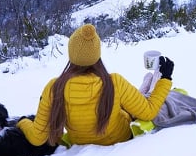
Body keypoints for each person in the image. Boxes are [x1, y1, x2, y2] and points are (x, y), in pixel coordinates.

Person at [17, 24, 174, 147]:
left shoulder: (54, 87)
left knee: (127, 102)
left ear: (71, 53)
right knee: (134, 102)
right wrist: (166, 78)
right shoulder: (114, 82)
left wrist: (22, 122)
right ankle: (152, 81)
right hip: (120, 138)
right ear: (97, 53)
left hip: (80, 143)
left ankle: (147, 83)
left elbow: (38, 138)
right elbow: (148, 113)